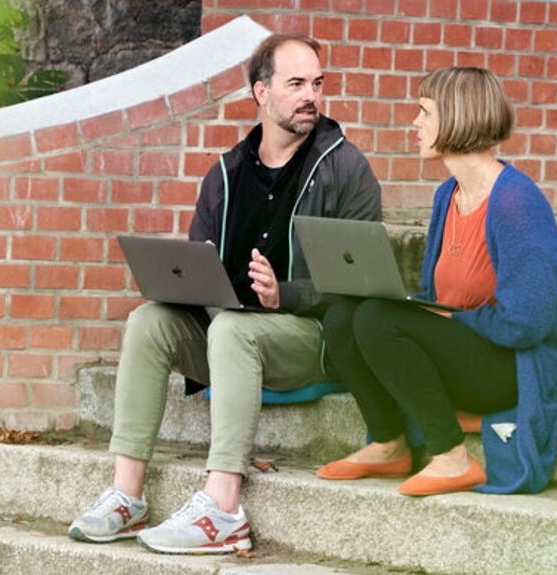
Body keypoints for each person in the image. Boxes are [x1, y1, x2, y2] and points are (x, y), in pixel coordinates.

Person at [68, 34, 382, 553]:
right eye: (296, 84)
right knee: (149, 320)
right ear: (261, 92)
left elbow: (363, 282)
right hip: (229, 332)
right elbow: (199, 263)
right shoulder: (226, 173)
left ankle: (223, 507)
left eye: (318, 84)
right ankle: (126, 496)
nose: (312, 96)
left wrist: (288, 295)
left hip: (313, 335)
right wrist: (186, 287)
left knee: (235, 329)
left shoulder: (344, 167)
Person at [316, 66, 557, 496]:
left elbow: (528, 323)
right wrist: (428, 308)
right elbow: (440, 296)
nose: (414, 124)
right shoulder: (448, 195)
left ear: (457, 117)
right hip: (469, 350)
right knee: (345, 315)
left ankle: (452, 456)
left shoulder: (517, 202)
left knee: (379, 319)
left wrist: (451, 319)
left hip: (511, 364)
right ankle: (388, 443)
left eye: (424, 112)